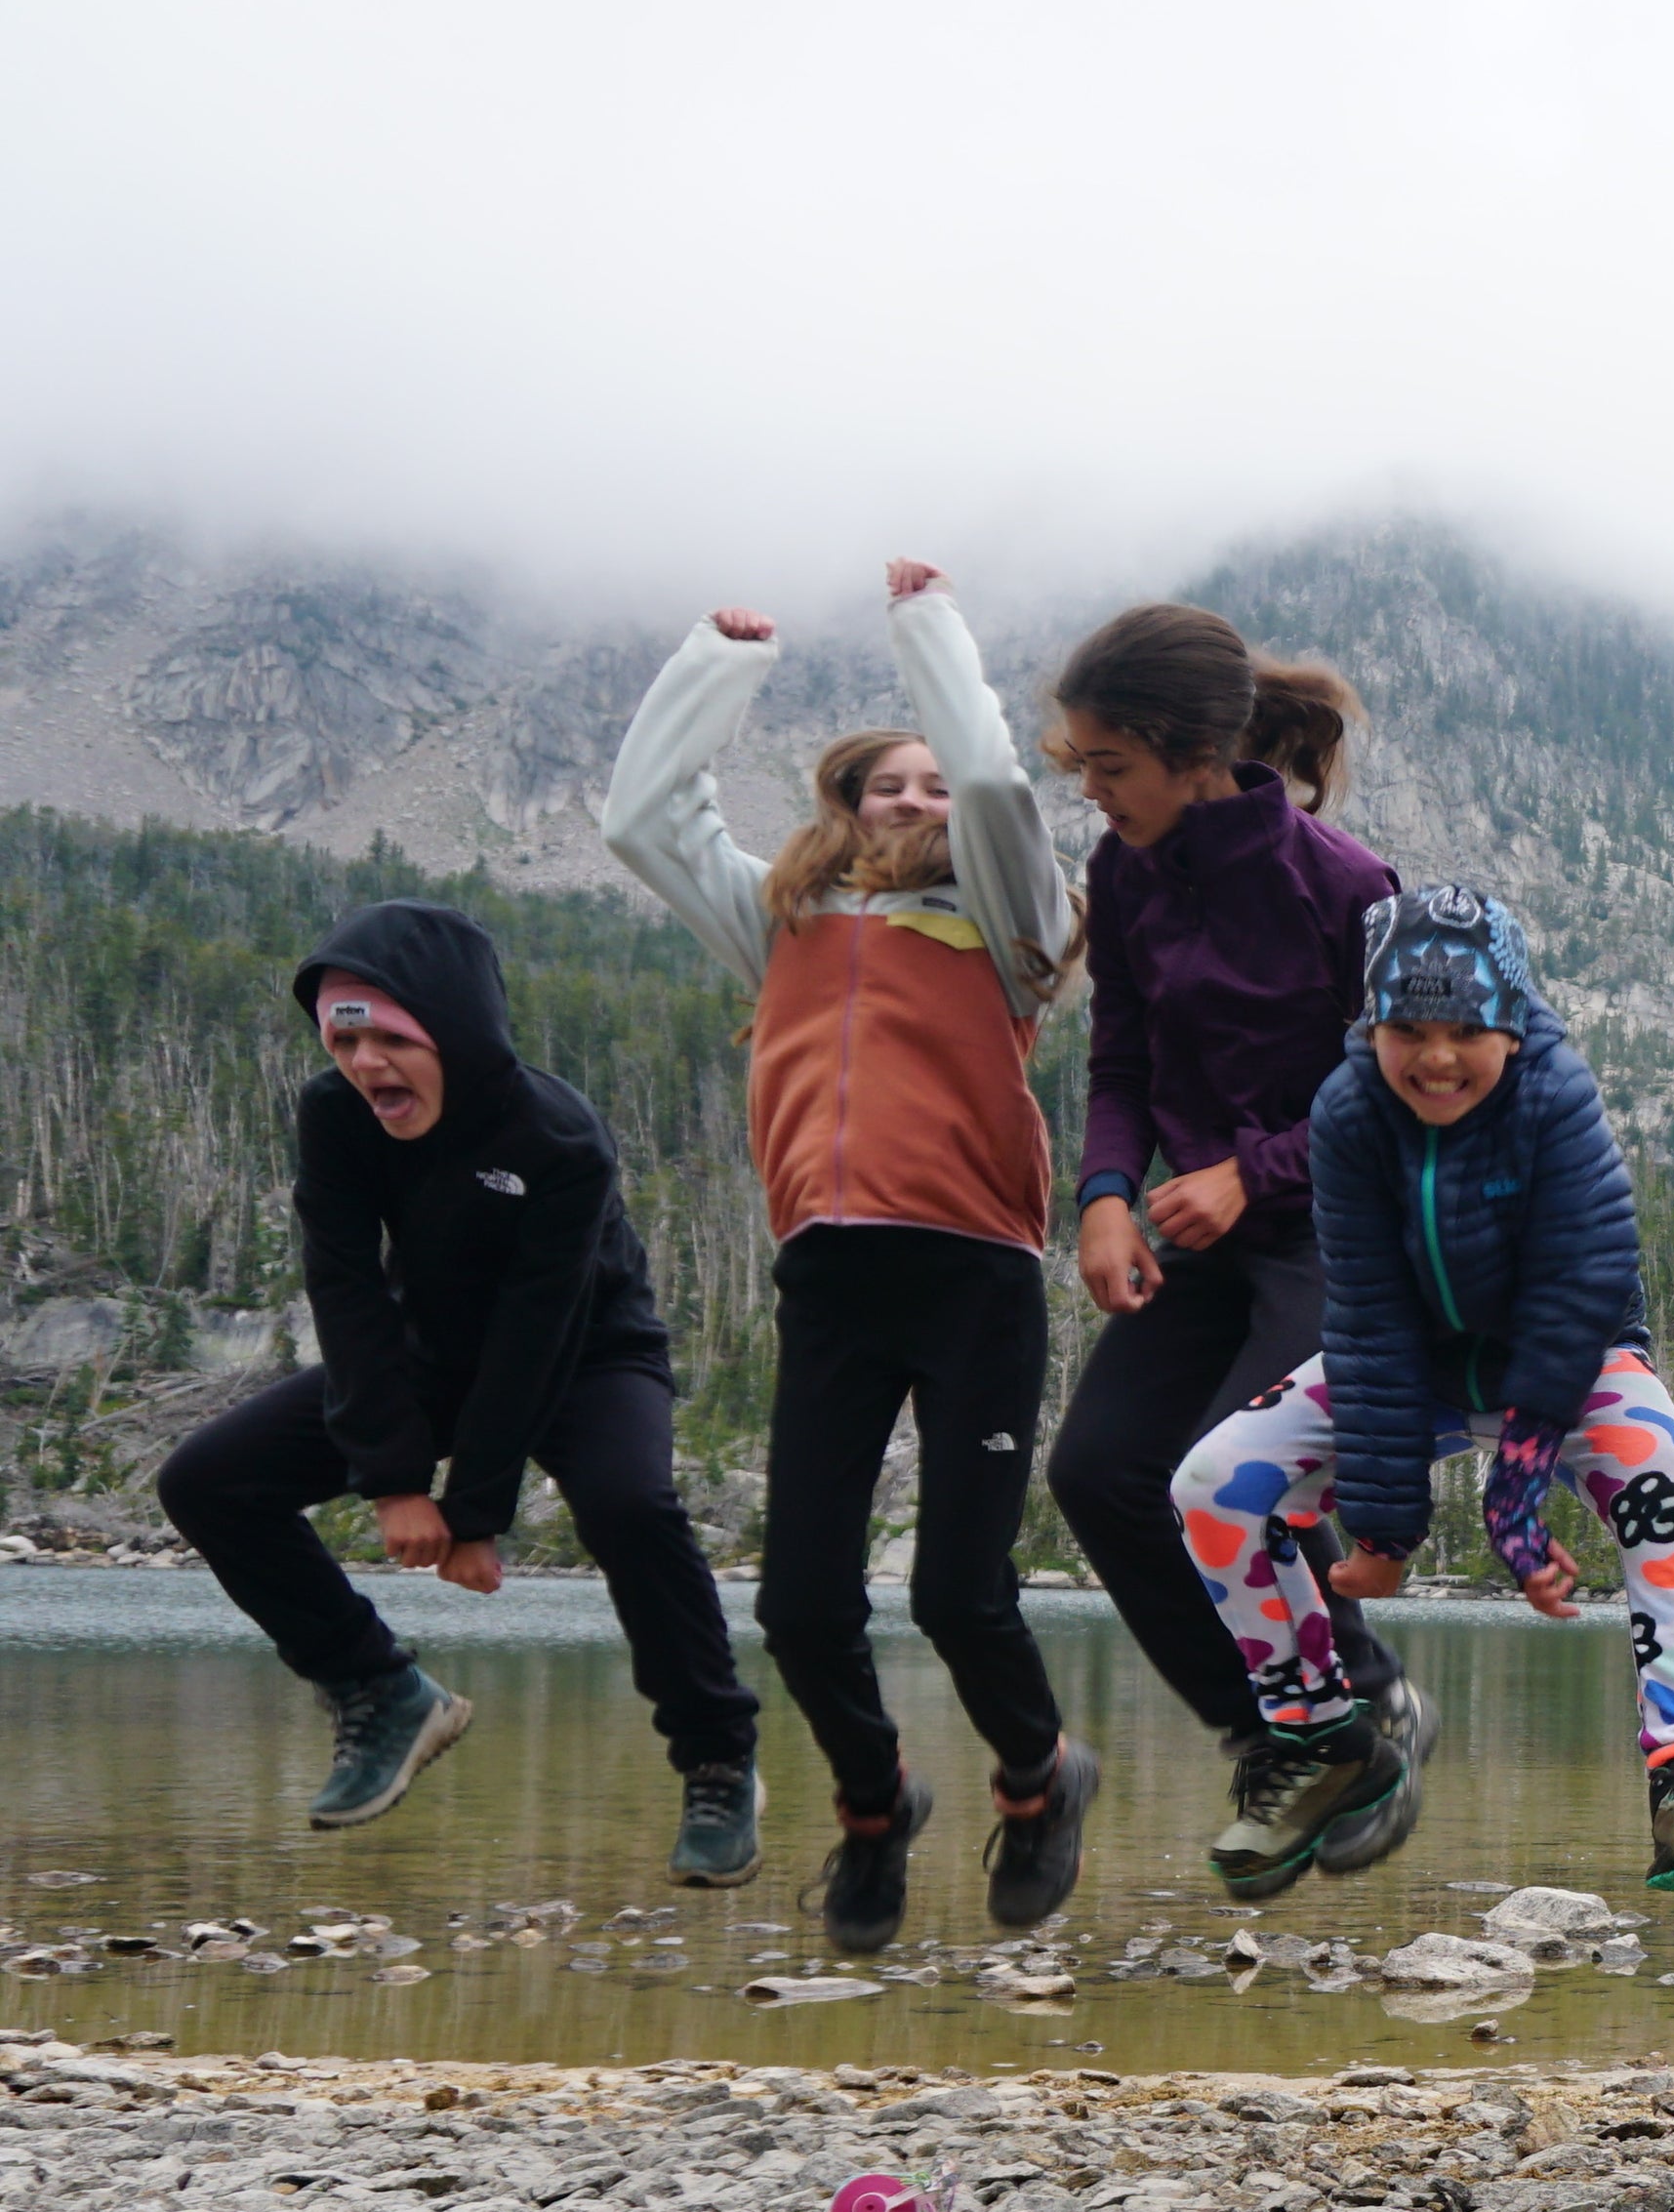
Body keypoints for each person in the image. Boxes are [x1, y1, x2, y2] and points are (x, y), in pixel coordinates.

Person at [598, 560, 1099, 1952]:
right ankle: (874, 1810)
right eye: (889, 785)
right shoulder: (785, 925)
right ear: (845, 805)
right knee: (799, 1602)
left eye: (931, 787)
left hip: (973, 1279)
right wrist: (718, 660)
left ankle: (1039, 1777)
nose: (918, 802)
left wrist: (926, 630)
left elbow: (1000, 792)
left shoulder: (1011, 928)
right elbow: (644, 820)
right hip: (830, 1279)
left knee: (958, 1593)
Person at [1169, 890, 1674, 1898]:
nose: (1436, 1058)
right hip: (1422, 1362)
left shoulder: (1555, 1099)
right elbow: (1364, 1317)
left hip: (1577, 1358)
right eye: (1408, 1029)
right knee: (1213, 1484)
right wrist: (1387, 1536)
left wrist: (1517, 1505)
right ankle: (1322, 1743)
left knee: (1671, 1489)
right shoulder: (1348, 1114)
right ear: (1372, 1026)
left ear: (1512, 1023)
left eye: (1466, 1031)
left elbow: (1579, 1298)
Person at [156, 903, 764, 1867]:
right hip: (426, 1349)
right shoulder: (334, 1117)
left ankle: (719, 1759)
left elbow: (538, 1333)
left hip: (591, 1352)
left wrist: (475, 1513)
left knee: (632, 1508)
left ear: (456, 1032)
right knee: (206, 1481)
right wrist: (395, 1479)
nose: (364, 1064)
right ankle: (378, 1690)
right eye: (343, 1039)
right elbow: (347, 1294)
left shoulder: (557, 1137)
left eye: (391, 1039)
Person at [1038, 602, 1433, 1875]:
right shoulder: (1123, 871)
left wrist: (1242, 1172)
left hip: (1343, 1234)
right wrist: (1106, 1191)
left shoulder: (1347, 885)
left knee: (1233, 1458)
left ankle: (1362, 1703)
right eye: (1082, 766)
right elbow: (1123, 1057)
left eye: (1110, 766)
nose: (1093, 793)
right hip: (1205, 1234)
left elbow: (1399, 1090)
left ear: (1193, 752)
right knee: (1098, 1472)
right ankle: (1282, 1735)